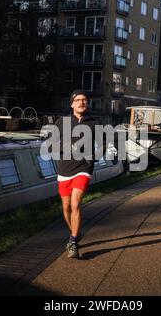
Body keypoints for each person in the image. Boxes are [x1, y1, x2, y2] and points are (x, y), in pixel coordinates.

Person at [51, 90, 101, 259]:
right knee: (65, 207)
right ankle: (75, 232)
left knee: (76, 202)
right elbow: (50, 146)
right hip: (64, 170)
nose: (81, 102)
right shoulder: (61, 122)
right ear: (72, 104)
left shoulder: (94, 124)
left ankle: (73, 241)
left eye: (84, 100)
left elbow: (101, 147)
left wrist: (91, 158)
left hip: (83, 168)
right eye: (78, 100)